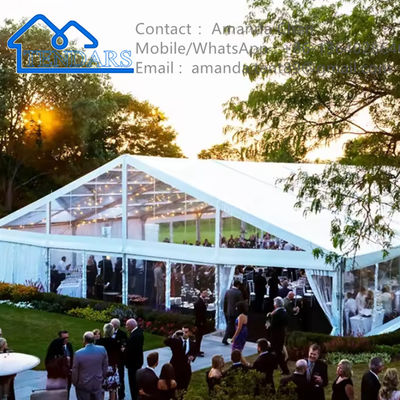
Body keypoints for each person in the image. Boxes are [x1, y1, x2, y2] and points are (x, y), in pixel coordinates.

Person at [71, 331, 108, 400]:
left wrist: (75, 383)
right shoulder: (102, 349)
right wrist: (102, 378)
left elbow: (75, 370)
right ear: (94, 340)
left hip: (83, 385)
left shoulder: (78, 353)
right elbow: (105, 366)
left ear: (84, 340)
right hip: (97, 382)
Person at [97, 323, 120, 400]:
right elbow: (117, 355)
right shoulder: (115, 342)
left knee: (101, 388)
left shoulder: (99, 342)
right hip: (111, 366)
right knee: (112, 388)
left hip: (101, 367)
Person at [267, 296, 289, 374]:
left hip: (276, 335)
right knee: (274, 351)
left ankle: (285, 370)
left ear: (276, 304)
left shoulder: (276, 313)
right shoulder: (284, 311)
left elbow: (272, 326)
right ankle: (274, 365)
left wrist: (269, 318)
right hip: (281, 334)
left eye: (274, 302)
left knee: (277, 353)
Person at [125, 318, 144, 400]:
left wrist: (124, 350)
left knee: (133, 383)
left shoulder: (134, 336)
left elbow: (131, 351)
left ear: (131, 326)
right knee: (136, 382)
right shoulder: (138, 332)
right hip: (138, 362)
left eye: (127, 325)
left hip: (133, 364)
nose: (126, 327)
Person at [111, 318, 128, 400]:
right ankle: (113, 395)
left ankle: (121, 395)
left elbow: (124, 346)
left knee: (121, 377)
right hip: (112, 360)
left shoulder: (122, 334)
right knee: (112, 378)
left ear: (114, 325)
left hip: (120, 360)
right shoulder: (109, 333)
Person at [222, 280, 243, 345]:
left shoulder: (228, 291)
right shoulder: (239, 293)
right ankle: (227, 339)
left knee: (230, 325)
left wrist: (225, 310)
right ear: (238, 285)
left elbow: (225, 302)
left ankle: (229, 338)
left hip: (229, 311)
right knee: (233, 326)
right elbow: (241, 304)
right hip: (236, 312)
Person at [194, 289, 208, 357]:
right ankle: (196, 351)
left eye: (206, 293)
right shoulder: (198, 302)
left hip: (201, 322)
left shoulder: (203, 301)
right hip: (199, 323)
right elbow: (198, 314)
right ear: (201, 293)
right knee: (198, 337)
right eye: (204, 293)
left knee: (200, 337)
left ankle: (198, 350)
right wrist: (200, 322)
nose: (206, 294)